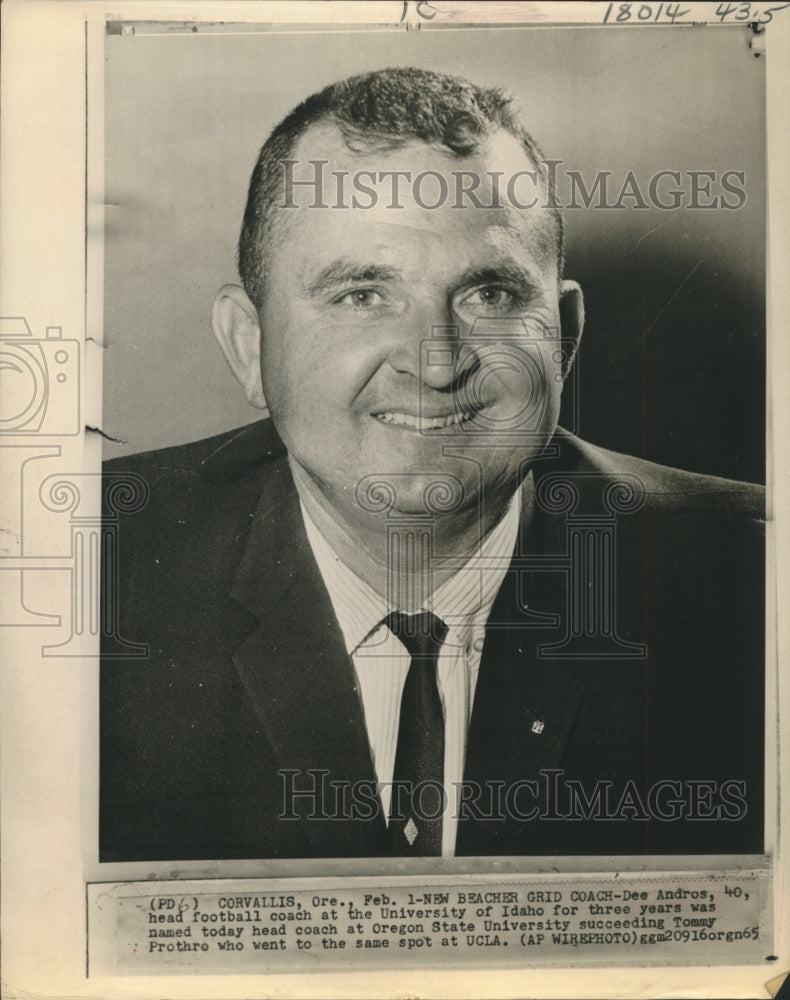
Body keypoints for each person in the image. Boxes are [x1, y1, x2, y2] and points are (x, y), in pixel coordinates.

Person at [100, 67, 764, 862]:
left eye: (488, 295)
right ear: (250, 345)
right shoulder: (93, 571)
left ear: (566, 335)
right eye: (361, 296)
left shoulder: (757, 583)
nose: (436, 362)